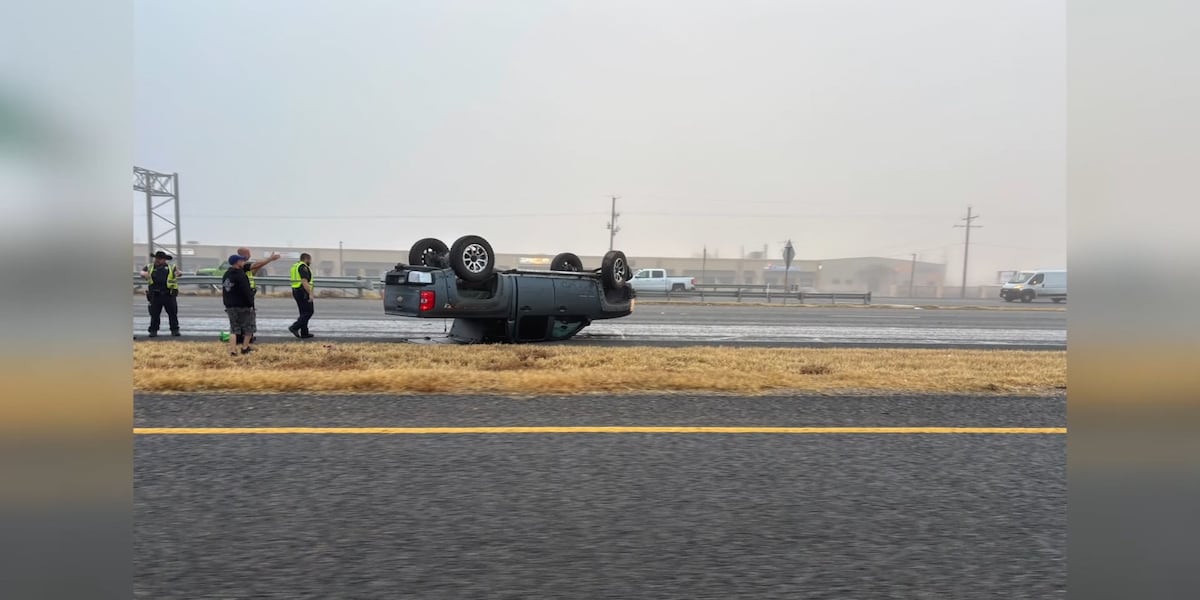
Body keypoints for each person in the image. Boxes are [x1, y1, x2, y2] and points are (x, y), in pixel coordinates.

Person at [235, 247, 281, 345]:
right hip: (244, 296)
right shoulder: (242, 265)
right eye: (248, 254)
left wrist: (260, 265)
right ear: (243, 255)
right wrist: (270, 259)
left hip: (248, 295)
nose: (250, 256)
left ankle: (244, 337)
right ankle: (244, 339)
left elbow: (253, 272)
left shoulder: (243, 266)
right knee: (247, 318)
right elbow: (255, 265)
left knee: (245, 317)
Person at [140, 250, 180, 337]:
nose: (158, 260)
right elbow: (142, 272)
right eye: (157, 258)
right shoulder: (150, 266)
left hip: (168, 294)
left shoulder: (171, 267)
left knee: (173, 313)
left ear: (165, 260)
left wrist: (178, 273)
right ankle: (153, 331)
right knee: (154, 314)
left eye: (160, 259)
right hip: (155, 295)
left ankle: (175, 330)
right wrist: (144, 274)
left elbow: (179, 272)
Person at [222, 254, 256, 355]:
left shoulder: (226, 274)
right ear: (237, 262)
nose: (243, 262)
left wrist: (226, 304)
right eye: (242, 261)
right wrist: (251, 304)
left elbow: (225, 290)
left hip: (230, 305)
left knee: (234, 329)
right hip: (243, 305)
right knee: (249, 327)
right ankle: (245, 348)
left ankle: (232, 350)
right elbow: (246, 291)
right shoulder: (241, 275)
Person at [288, 253, 315, 338]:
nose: (310, 262)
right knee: (309, 312)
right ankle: (294, 327)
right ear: (306, 259)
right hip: (303, 291)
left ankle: (304, 332)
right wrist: (310, 293)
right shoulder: (303, 267)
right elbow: (304, 281)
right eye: (310, 260)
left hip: (296, 291)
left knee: (303, 312)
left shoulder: (295, 266)